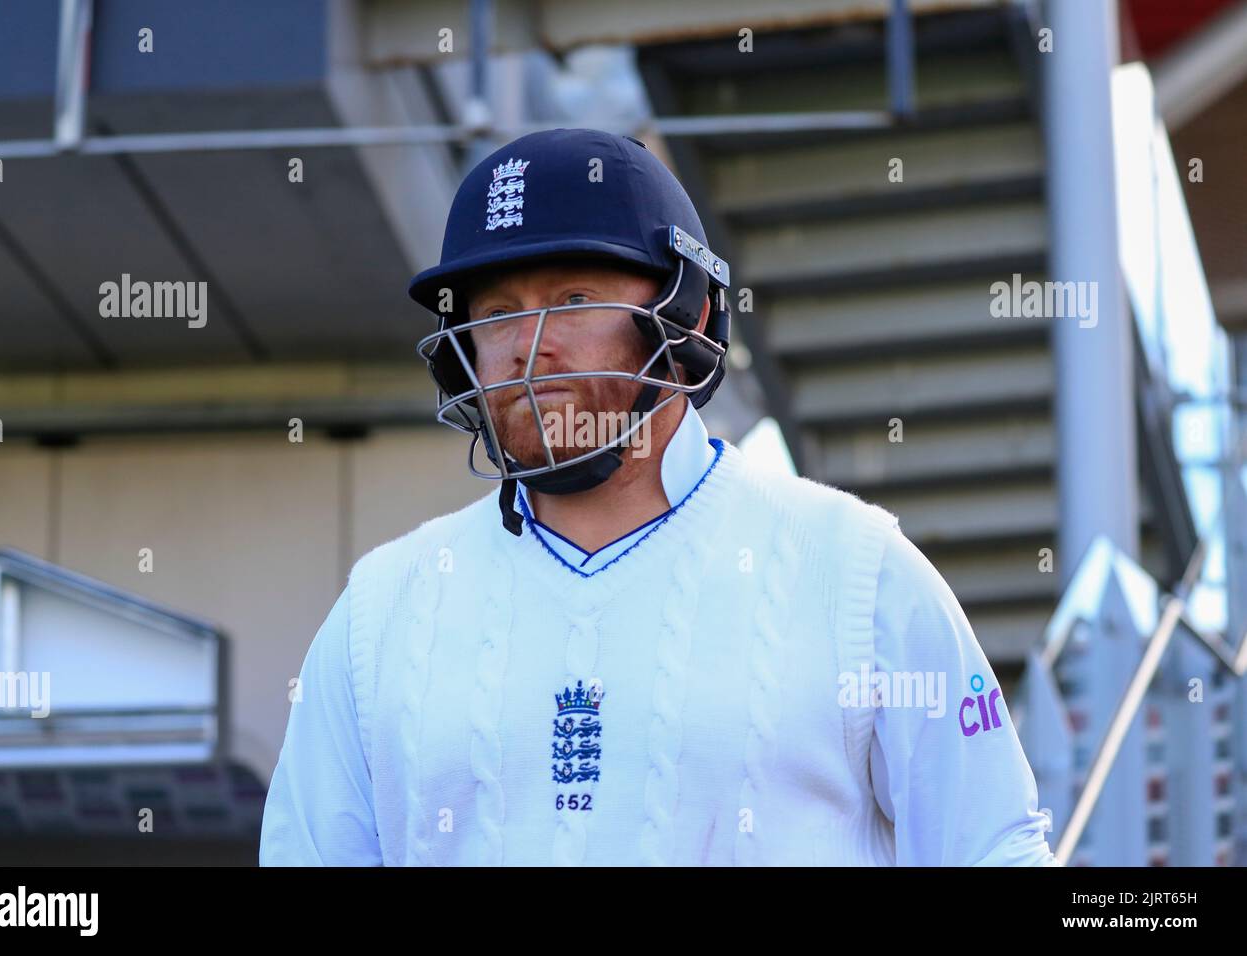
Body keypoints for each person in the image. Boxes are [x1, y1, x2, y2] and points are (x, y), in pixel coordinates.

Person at [259, 127, 1058, 866]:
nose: (530, 349)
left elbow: (994, 849)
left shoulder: (853, 568)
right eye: (498, 314)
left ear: (689, 311)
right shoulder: (383, 610)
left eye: (572, 300)